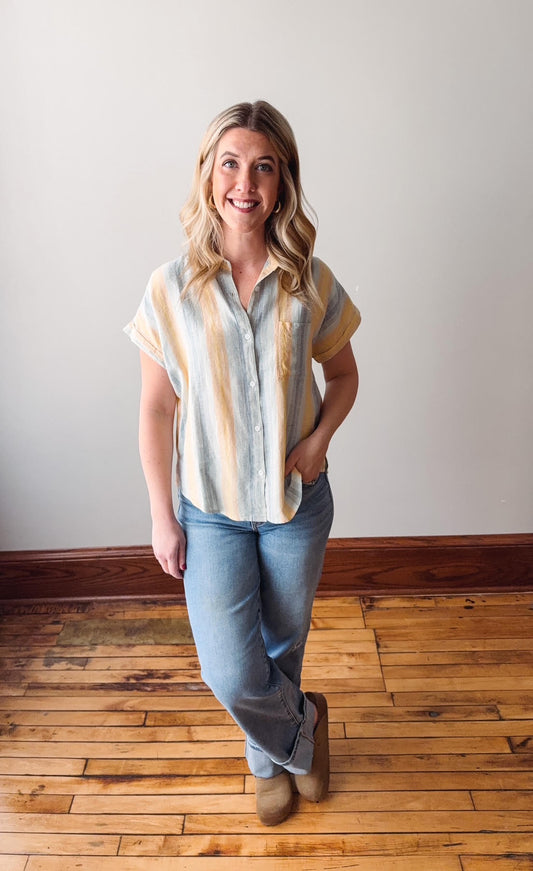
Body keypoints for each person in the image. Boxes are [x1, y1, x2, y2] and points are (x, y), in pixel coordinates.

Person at [124, 100, 360, 826]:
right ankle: (299, 734)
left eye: (263, 166)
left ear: (282, 181)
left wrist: (317, 441)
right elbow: (156, 410)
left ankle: (269, 762)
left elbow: (344, 377)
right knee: (228, 666)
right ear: (208, 174)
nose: (245, 182)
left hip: (294, 504)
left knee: (282, 644)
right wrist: (162, 517)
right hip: (210, 510)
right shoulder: (170, 287)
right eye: (230, 163)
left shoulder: (308, 280)